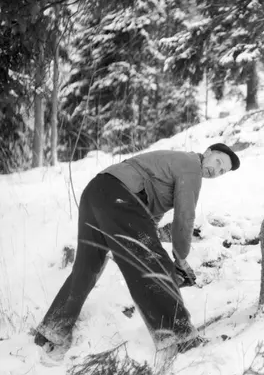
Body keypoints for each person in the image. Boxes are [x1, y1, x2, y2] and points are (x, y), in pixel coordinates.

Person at [34, 143, 240, 362]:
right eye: (218, 162)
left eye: (222, 171)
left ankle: (51, 330)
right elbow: (185, 216)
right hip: (118, 195)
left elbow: (148, 218)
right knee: (153, 263)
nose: (216, 171)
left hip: (97, 192)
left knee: (87, 268)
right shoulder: (191, 166)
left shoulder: (176, 163)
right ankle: (180, 338)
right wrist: (180, 259)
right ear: (207, 152)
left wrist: (149, 242)